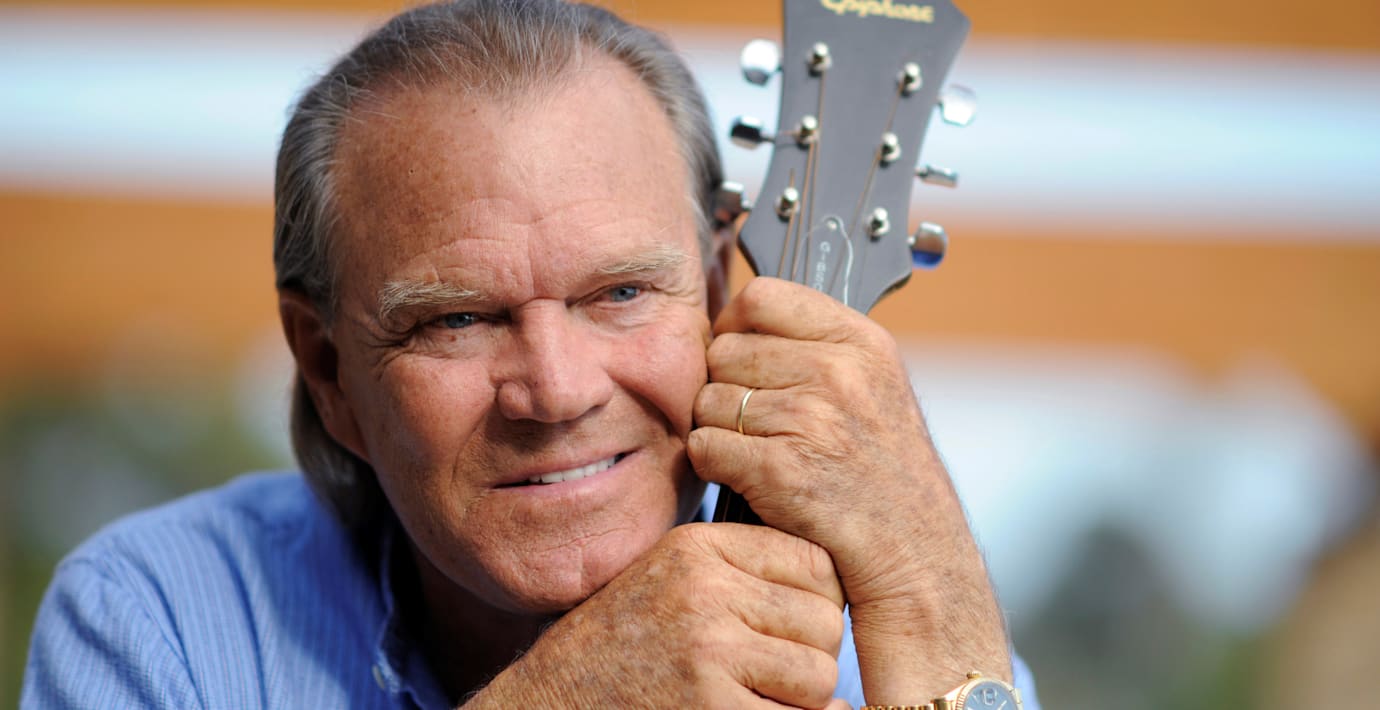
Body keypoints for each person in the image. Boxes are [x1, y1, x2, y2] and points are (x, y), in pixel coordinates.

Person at [23, 1, 1040, 708]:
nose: (556, 390)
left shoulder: (899, 629)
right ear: (329, 371)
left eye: (622, 293)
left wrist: (939, 602)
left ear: (716, 295)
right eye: (457, 319)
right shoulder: (155, 617)